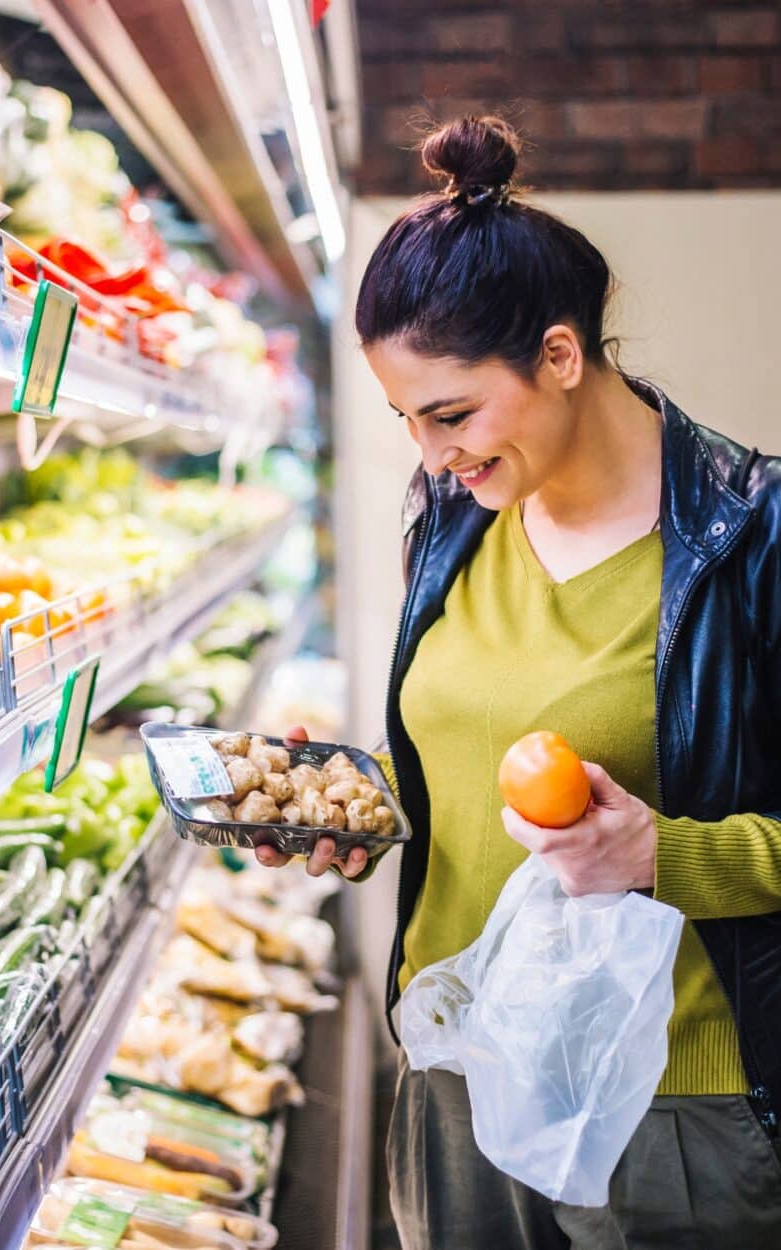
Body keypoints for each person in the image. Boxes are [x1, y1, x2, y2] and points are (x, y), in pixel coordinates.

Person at [254, 115, 781, 1249]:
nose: (429, 453)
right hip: (454, 1063)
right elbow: (467, 754)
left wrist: (660, 855)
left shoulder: (754, 534)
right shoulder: (452, 519)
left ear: (557, 354)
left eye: (449, 413)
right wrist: (359, 806)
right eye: (403, 418)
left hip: (666, 1104)